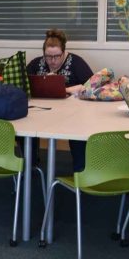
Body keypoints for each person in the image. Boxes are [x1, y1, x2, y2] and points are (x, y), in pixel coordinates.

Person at [26, 29, 93, 171]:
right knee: (26, 130)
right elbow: (23, 85)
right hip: (41, 112)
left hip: (72, 114)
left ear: (64, 52)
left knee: (78, 133)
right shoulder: (36, 63)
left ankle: (80, 170)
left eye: (57, 56)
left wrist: (69, 90)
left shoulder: (76, 62)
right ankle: (30, 164)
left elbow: (93, 86)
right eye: (48, 57)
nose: (53, 61)